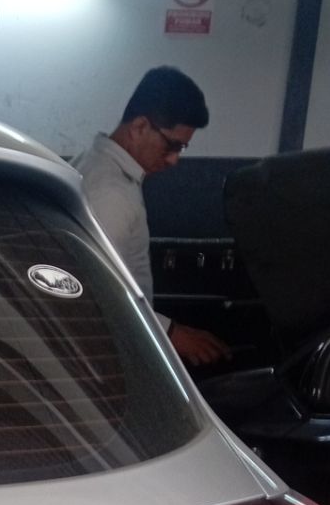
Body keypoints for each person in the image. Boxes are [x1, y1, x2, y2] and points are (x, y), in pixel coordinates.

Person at [77, 67, 229, 368]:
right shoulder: (110, 193)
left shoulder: (96, 165)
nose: (174, 159)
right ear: (139, 127)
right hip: (104, 350)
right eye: (172, 145)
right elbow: (92, 287)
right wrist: (170, 333)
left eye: (182, 148)